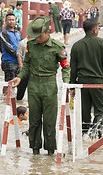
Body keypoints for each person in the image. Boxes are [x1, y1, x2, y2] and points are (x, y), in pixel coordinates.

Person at [10, 16, 70, 156]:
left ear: (46, 32)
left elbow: (66, 67)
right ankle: (35, 151)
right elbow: (27, 65)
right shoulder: (30, 45)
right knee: (34, 120)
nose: (36, 38)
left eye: (39, 36)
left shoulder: (58, 47)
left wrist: (66, 84)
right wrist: (19, 77)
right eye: (34, 36)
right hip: (33, 85)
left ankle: (50, 151)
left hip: (49, 85)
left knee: (49, 121)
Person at [70, 19, 103, 138]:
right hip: (98, 82)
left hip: (82, 83)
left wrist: (72, 85)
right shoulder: (101, 43)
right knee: (102, 109)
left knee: (84, 112)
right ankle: (95, 135)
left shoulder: (76, 45)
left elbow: (73, 69)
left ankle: (84, 136)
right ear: (95, 30)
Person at [0, 13, 22, 87]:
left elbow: (22, 45)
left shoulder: (18, 33)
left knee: (18, 84)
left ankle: (15, 98)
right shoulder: (4, 33)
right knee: (9, 84)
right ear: (5, 21)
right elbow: (8, 47)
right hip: (8, 62)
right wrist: (18, 55)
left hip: (18, 62)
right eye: (9, 20)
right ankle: (5, 98)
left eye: (13, 20)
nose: (11, 21)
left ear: (15, 21)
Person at [16, 36, 30, 100]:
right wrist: (21, 65)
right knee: (22, 87)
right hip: (25, 68)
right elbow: (19, 54)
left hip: (33, 68)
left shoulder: (37, 42)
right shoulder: (23, 43)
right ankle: (18, 100)